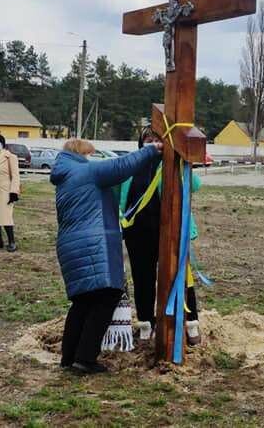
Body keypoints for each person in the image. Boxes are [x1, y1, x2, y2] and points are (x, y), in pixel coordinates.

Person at [50, 137, 162, 374]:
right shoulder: (87, 171)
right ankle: (85, 358)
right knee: (106, 296)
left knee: (84, 301)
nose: (93, 157)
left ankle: (69, 357)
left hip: (72, 245)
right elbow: (122, 166)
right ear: (82, 154)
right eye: (90, 153)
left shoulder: (66, 175)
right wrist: (152, 150)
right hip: (92, 243)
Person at [118, 129, 204, 345]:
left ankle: (190, 322)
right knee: (142, 277)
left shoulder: (171, 164)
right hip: (137, 233)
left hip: (169, 232)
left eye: (158, 140)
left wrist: (181, 161)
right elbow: (116, 193)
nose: (153, 143)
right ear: (141, 143)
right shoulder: (130, 165)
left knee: (180, 276)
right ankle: (146, 323)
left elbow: (195, 185)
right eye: (149, 139)